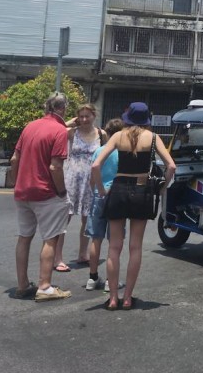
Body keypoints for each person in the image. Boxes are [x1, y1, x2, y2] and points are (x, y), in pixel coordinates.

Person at [92, 102, 176, 311]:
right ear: (146, 119)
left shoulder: (117, 136)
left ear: (128, 117)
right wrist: (162, 188)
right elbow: (171, 166)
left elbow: (95, 165)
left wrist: (101, 190)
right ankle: (128, 298)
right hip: (141, 191)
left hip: (118, 189)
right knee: (135, 247)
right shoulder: (153, 138)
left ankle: (113, 298)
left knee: (114, 247)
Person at [11, 92, 72, 302]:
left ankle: (22, 285)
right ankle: (45, 286)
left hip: (23, 192)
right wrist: (62, 191)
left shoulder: (30, 126)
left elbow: (14, 159)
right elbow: (55, 167)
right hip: (46, 193)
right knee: (50, 239)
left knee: (24, 237)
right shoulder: (59, 130)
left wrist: (17, 183)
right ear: (62, 108)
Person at [53, 104, 107, 273]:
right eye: (81, 116)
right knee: (64, 218)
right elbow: (55, 130)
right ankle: (57, 257)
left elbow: (106, 154)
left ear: (94, 116)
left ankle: (83, 253)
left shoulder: (101, 134)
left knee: (87, 218)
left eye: (87, 116)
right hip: (71, 180)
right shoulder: (71, 133)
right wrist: (71, 121)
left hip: (91, 181)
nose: (84, 119)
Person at [84, 118, 123, 291]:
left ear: (107, 132)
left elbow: (92, 176)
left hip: (99, 195)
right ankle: (110, 280)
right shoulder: (123, 153)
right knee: (114, 241)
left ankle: (92, 278)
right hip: (116, 195)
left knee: (96, 238)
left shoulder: (99, 151)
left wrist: (97, 190)